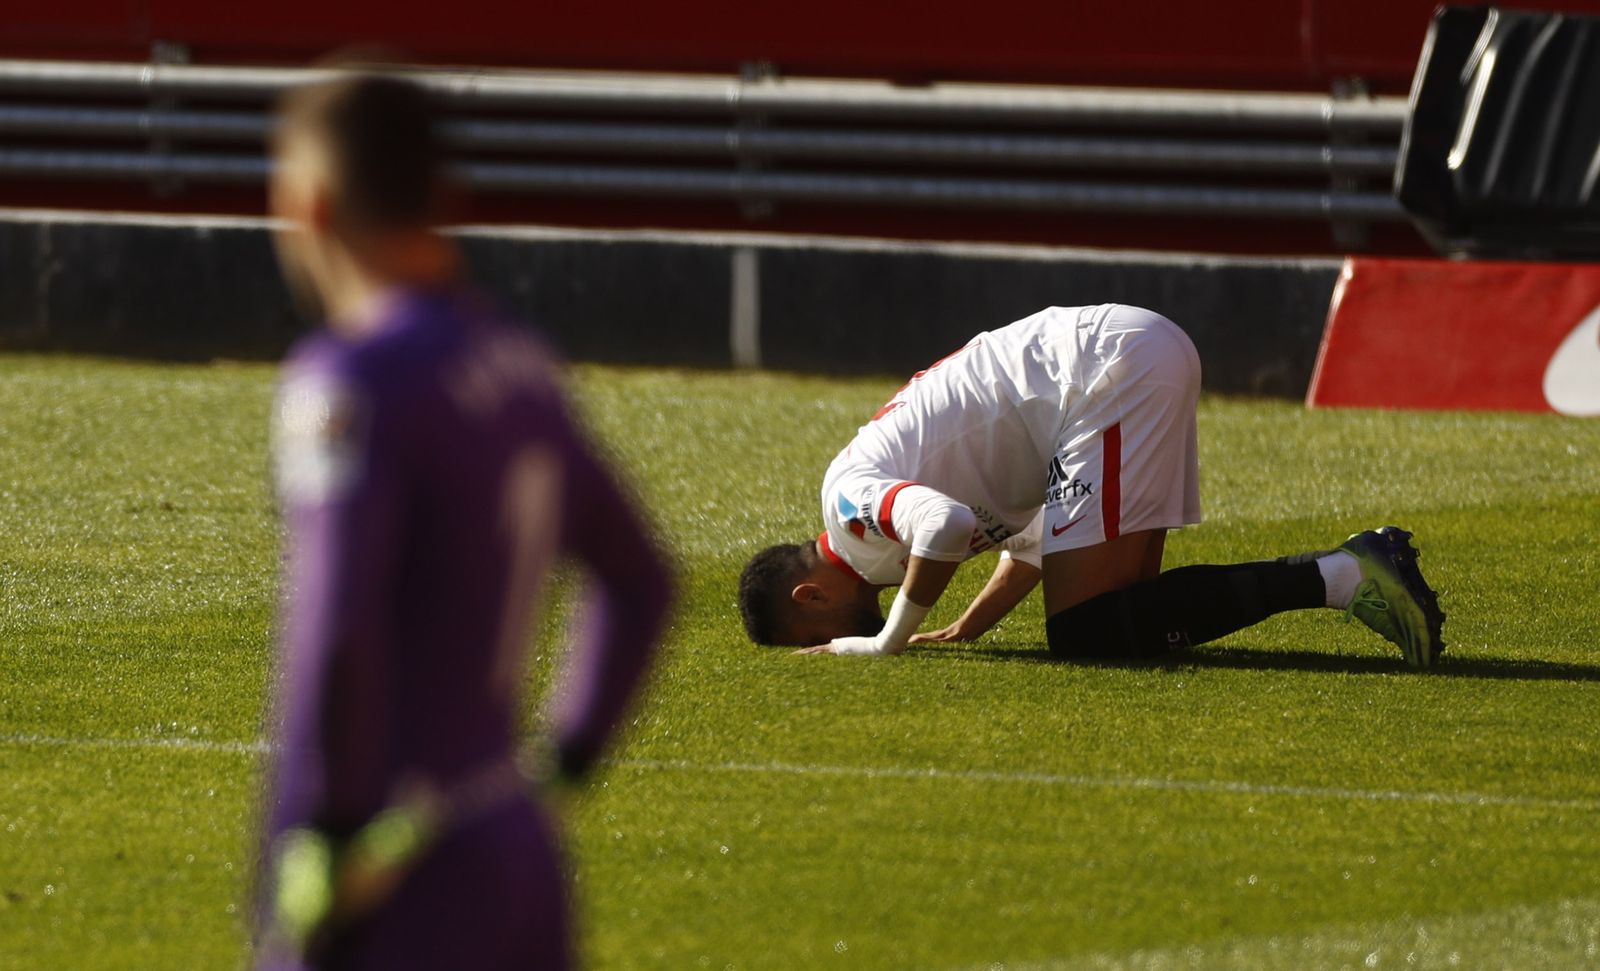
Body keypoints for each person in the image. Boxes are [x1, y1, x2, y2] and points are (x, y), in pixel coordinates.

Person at [257, 72, 672, 970]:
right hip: (512, 845)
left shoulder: (351, 377)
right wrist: (565, 759)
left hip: (392, 867)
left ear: (310, 204)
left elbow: (337, 623)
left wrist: (329, 831)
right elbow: (641, 580)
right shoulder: (518, 362)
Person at [738, 303, 1444, 667]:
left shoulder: (850, 507)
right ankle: (1345, 576)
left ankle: (1346, 573)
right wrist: (973, 623)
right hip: (1118, 359)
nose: (830, 643)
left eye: (816, 637)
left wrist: (886, 640)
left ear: (811, 596)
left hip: (1100, 371)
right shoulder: (873, 535)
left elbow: (947, 525)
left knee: (1087, 632)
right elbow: (1034, 531)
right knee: (1116, 622)